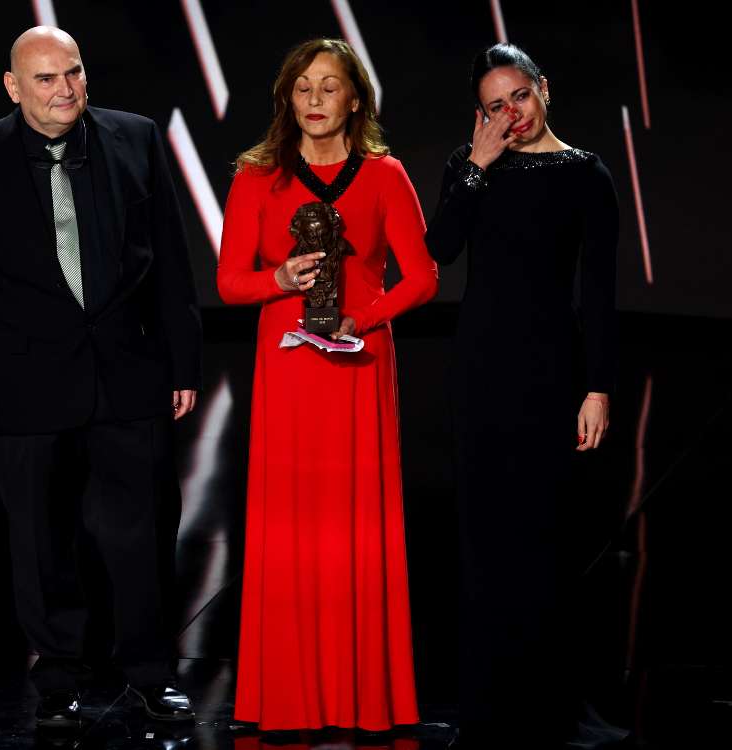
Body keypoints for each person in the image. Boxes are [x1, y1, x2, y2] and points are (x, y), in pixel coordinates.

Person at [0, 26, 202, 727]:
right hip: (22, 382)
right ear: (13, 87)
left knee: (140, 534)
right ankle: (59, 677)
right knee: (39, 540)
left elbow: (171, 259)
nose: (64, 90)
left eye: (73, 73)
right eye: (46, 79)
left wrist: (182, 361)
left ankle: (149, 670)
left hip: (127, 373)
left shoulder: (135, 137)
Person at [218, 38, 437, 731]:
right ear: (288, 98)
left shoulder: (385, 174)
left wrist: (363, 318)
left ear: (355, 99)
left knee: (355, 527)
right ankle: (285, 696)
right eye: (303, 88)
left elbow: (423, 276)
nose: (314, 101)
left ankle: (361, 695)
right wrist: (277, 279)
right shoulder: (256, 176)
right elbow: (228, 282)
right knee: (286, 528)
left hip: (356, 368)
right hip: (286, 373)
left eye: (329, 87)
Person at [424, 44, 619, 749]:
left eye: (520, 97)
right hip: (480, 368)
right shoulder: (469, 165)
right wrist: (475, 167)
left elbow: (597, 291)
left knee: (543, 535)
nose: (512, 115)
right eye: (494, 106)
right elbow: (437, 250)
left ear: (544, 89)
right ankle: (487, 701)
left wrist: (596, 387)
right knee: (483, 536)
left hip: (551, 371)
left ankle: (546, 701)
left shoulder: (585, 173)